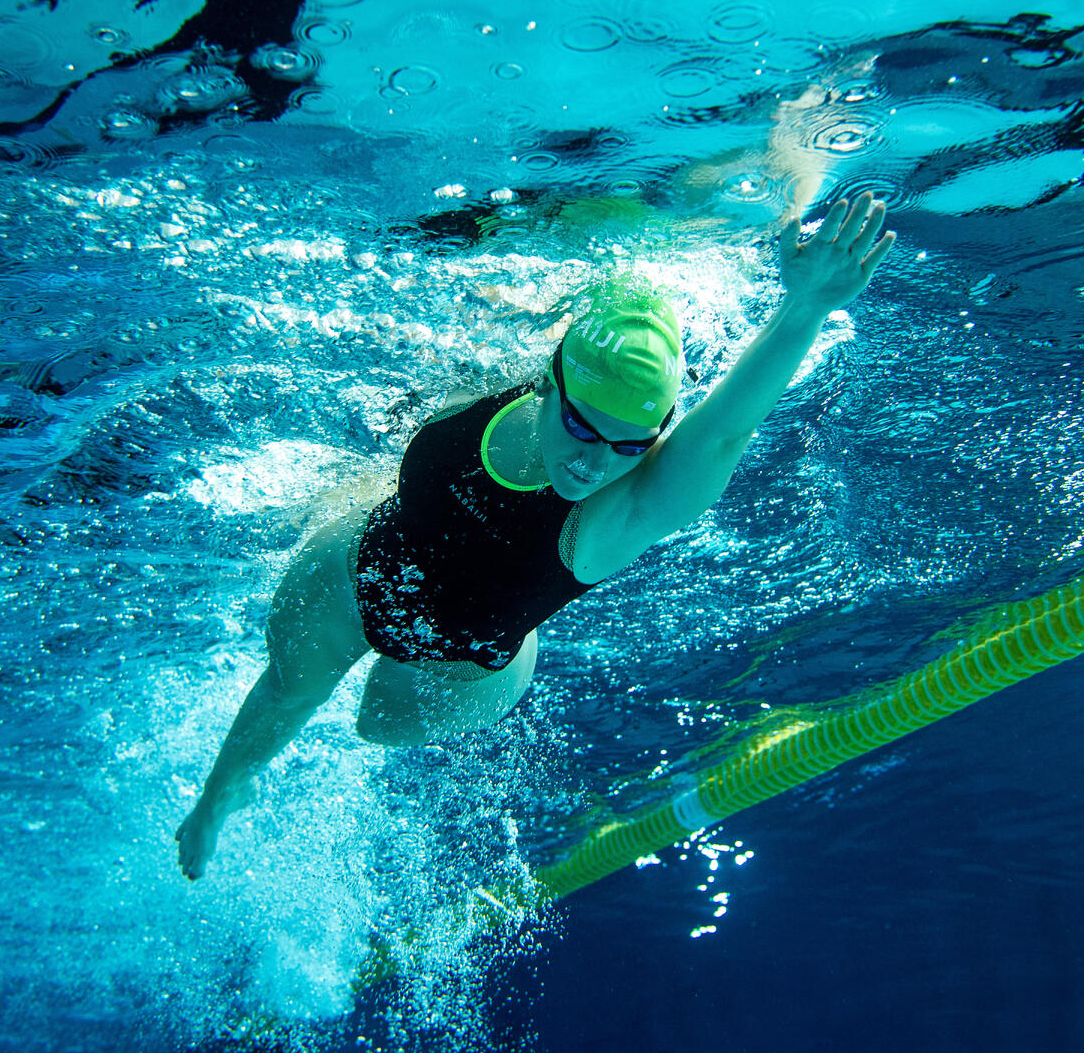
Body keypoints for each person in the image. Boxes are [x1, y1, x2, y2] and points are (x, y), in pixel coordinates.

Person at [175, 192, 896, 879]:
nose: (591, 461)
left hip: (471, 665)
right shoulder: (489, 386)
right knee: (290, 691)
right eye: (582, 425)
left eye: (627, 445)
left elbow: (727, 431)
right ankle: (216, 800)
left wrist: (805, 309)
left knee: (377, 724)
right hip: (354, 573)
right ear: (548, 383)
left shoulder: (622, 515)